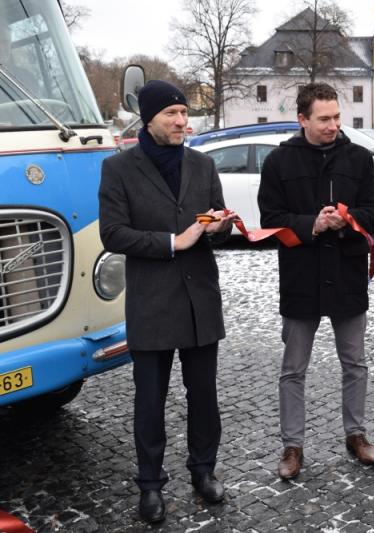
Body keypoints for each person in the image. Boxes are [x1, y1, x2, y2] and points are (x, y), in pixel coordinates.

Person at [99, 80, 236, 524]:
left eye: (184, 112)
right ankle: (150, 484)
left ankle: (204, 470)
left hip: (200, 300)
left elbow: (219, 218)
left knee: (204, 397)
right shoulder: (118, 168)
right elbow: (113, 233)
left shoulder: (202, 164)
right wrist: (173, 242)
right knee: (150, 400)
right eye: (172, 114)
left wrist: (220, 225)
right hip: (152, 302)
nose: (182, 121)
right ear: (149, 119)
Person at [258, 82, 374, 480]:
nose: (333, 126)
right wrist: (312, 224)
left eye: (336, 117)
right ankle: (292, 445)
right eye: (324, 119)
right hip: (301, 278)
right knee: (293, 368)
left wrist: (345, 223)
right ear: (302, 119)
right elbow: (270, 220)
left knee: (355, 364)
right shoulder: (278, 162)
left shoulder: (359, 159)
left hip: (346, 276)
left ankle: (356, 433)